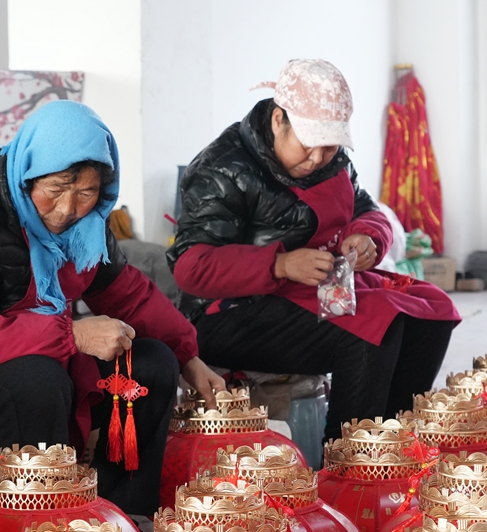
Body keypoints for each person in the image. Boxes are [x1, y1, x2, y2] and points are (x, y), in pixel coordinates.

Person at [0, 100, 225, 520]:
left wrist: (189, 358)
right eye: (55, 189)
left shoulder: (87, 223)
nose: (66, 210)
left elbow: (126, 293)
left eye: (86, 193)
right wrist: (71, 335)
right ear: (28, 172)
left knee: (150, 364)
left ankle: (124, 519)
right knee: (38, 380)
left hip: (28, 361)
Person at [168, 59, 460, 442]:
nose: (319, 158)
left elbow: (365, 209)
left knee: (430, 308)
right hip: (229, 309)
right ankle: (350, 458)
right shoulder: (222, 169)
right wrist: (281, 265)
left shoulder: (330, 160)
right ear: (278, 120)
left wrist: (369, 238)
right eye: (308, 145)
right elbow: (192, 268)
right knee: (374, 327)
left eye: (330, 146)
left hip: (310, 287)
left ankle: (393, 441)